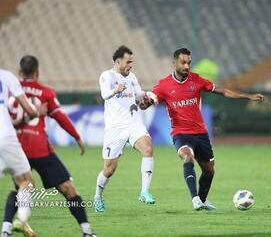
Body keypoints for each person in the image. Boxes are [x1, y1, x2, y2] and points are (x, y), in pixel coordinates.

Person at [141, 48, 265, 210]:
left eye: (189, 63)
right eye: (183, 62)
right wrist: (145, 103)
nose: (187, 66)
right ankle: (195, 199)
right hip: (181, 133)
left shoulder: (196, 80)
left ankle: (203, 200)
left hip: (200, 133)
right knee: (187, 157)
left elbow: (222, 91)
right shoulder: (164, 85)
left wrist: (247, 96)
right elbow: (150, 99)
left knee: (209, 170)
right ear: (174, 63)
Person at [2, 56, 97, 237]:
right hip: (40, 148)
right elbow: (60, 117)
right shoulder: (45, 92)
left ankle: (6, 230)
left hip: (17, 147)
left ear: (20, 72)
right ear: (37, 72)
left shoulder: (9, 89)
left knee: (19, 188)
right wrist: (77, 137)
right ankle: (87, 232)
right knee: (69, 190)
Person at [94, 45, 156, 212]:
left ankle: (144, 192)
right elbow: (104, 94)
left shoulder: (132, 77)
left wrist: (146, 99)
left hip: (134, 123)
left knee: (148, 149)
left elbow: (138, 96)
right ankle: (98, 196)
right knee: (109, 169)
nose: (131, 65)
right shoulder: (107, 76)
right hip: (115, 127)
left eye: (132, 62)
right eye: (128, 62)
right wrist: (116, 89)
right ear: (118, 61)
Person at [0, 68, 41, 237]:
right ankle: (21, 221)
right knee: (26, 181)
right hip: (5, 137)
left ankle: (6, 230)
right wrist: (35, 112)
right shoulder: (6, 76)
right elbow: (30, 111)